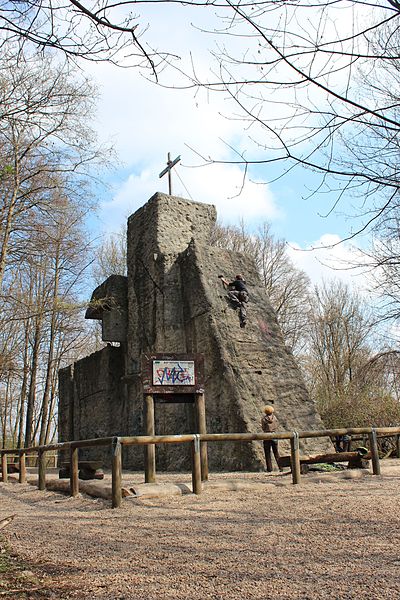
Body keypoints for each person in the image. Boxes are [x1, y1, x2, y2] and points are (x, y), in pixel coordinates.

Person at [261, 405, 282, 472]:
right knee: (276, 452)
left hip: (266, 436)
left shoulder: (264, 419)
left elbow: (263, 428)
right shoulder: (275, 418)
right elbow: (277, 425)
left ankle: (269, 469)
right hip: (274, 435)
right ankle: (281, 467)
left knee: (267, 453)